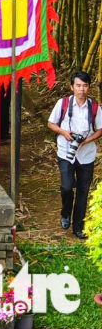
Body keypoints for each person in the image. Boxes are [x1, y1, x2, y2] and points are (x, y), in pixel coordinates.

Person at [47, 70, 102, 238]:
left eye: (85, 86)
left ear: (89, 87)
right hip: (66, 152)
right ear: (72, 87)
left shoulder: (94, 107)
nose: (82, 89)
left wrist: (87, 140)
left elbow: (100, 129)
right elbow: (50, 123)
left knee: (83, 191)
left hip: (86, 154)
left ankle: (78, 226)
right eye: (78, 85)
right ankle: (65, 214)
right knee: (67, 187)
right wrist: (64, 132)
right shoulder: (63, 103)